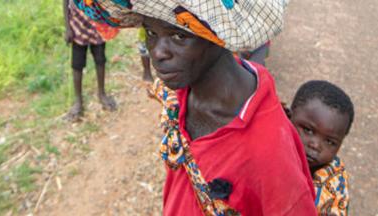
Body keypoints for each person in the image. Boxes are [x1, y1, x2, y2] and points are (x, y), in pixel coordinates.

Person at [74, 0, 317, 215]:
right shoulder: (182, 94)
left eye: (180, 36)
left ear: (218, 34)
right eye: (150, 32)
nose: (157, 52)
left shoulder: (269, 151)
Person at [289, 80, 354, 215]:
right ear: (289, 117)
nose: (316, 145)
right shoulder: (267, 149)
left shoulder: (335, 181)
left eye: (330, 142)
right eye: (308, 130)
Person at [63, 0, 118, 121]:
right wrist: (67, 28)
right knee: (77, 64)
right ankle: (78, 100)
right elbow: (65, 2)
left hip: (97, 23)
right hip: (77, 25)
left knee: (100, 59)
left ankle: (102, 94)